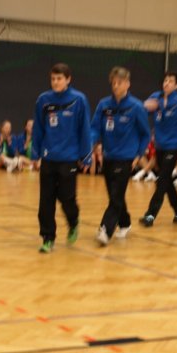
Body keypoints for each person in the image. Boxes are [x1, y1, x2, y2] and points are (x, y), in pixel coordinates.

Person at [31, 63, 91, 253]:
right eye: (53, 79)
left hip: (69, 158)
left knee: (67, 198)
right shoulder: (43, 100)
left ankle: (73, 221)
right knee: (46, 201)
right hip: (49, 157)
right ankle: (48, 238)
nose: (55, 82)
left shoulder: (79, 100)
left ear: (68, 79)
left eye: (59, 79)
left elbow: (85, 130)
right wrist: (35, 154)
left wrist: (86, 157)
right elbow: (38, 128)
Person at [90, 66, 150, 246]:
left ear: (127, 84)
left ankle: (105, 229)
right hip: (108, 157)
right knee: (115, 195)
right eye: (113, 83)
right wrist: (91, 144)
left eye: (119, 83)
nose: (115, 86)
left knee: (116, 196)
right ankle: (125, 223)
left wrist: (138, 155)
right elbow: (95, 128)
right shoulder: (104, 105)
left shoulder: (136, 106)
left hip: (126, 158)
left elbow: (145, 134)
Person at [139, 72, 177, 227]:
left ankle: (150, 214)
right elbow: (142, 110)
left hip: (174, 146)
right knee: (166, 181)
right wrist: (145, 106)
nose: (167, 83)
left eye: (171, 81)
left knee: (162, 180)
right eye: (165, 80)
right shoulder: (155, 97)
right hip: (159, 146)